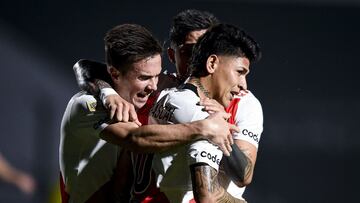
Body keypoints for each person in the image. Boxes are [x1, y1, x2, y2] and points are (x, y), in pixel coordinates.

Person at [73, 9, 263, 202]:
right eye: (190, 50)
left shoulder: (244, 103)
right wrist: (108, 93)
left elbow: (244, 176)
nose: (200, 57)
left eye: (206, 48)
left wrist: (221, 132)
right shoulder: (156, 88)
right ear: (172, 55)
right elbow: (86, 67)